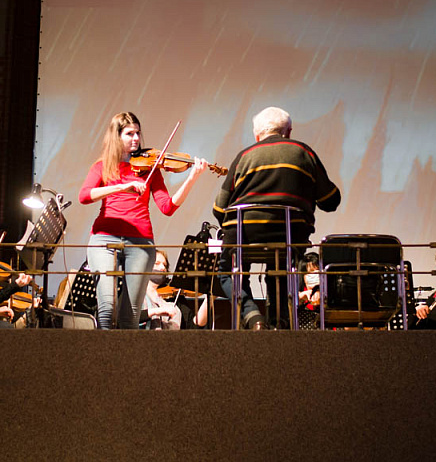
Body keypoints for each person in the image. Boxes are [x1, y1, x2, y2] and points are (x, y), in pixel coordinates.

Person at [213, 106, 340, 329]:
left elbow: (219, 208)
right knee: (281, 265)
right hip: (289, 234)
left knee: (226, 271)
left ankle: (253, 316)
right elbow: (331, 200)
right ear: (288, 132)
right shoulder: (304, 152)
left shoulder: (244, 156)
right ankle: (279, 323)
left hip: (244, 232)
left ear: (257, 135)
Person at [78, 111, 207, 329]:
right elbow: (84, 196)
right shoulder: (102, 167)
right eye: (129, 133)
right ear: (116, 136)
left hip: (140, 242)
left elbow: (167, 207)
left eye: (138, 133)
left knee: (130, 316)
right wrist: (122, 186)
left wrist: (192, 178)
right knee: (107, 309)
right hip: (104, 240)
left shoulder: (150, 168)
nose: (136, 138)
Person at [142, 249, 209, 330]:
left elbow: (193, 327)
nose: (162, 268)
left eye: (165, 265)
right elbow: (126, 317)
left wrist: (209, 299)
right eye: (157, 263)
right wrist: (157, 311)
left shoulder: (174, 299)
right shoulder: (134, 295)